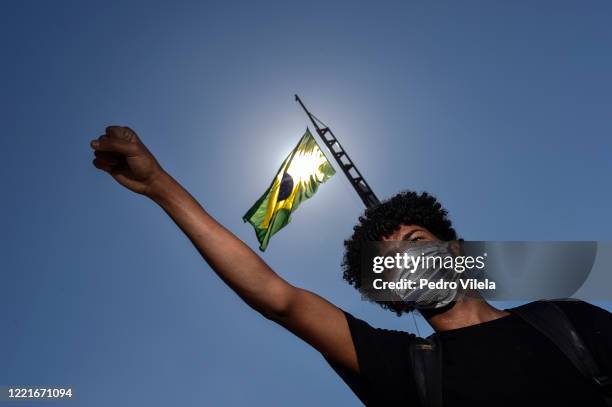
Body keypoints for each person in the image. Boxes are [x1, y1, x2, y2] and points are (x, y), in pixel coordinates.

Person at [90, 126, 612, 406]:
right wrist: (160, 186)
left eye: (417, 240)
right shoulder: (405, 367)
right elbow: (279, 298)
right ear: (393, 296)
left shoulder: (567, 323)